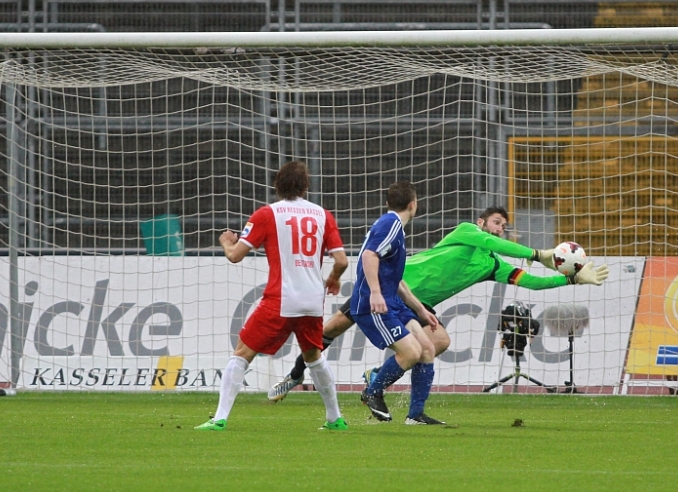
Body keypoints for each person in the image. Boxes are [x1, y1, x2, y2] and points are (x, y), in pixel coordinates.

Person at [269, 205, 609, 424]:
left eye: (504, 226)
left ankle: (403, 403)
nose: (499, 229)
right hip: (394, 286)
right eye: (496, 222)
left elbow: (531, 282)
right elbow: (499, 246)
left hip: (417, 304)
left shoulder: (493, 265)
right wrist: (537, 253)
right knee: (330, 330)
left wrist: (571, 279)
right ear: (481, 223)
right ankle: (296, 374)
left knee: (438, 342)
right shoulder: (466, 232)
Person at [195, 161, 349, 431]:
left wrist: (226, 242)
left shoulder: (267, 214)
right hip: (312, 300)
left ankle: (219, 418)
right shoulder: (323, 215)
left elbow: (235, 256)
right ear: (305, 186)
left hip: (281, 298)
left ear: (277, 185)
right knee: (314, 357)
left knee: (242, 353)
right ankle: (335, 418)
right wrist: (334, 278)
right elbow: (342, 260)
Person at [348, 181, 443, 424]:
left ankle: (415, 415)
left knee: (427, 349)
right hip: (373, 305)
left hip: (393, 302)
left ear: (387, 202)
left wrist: (420, 310)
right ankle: (373, 392)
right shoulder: (390, 224)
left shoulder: (394, 227)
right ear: (413, 204)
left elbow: (396, 278)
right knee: (411, 352)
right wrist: (376, 293)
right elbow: (369, 255)